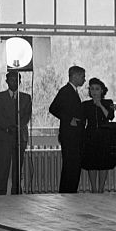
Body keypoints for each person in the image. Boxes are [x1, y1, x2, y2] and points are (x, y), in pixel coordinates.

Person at [0, 70, 32, 195]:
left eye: (16, 80)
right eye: (11, 80)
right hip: (3, 137)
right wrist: (9, 128)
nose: (14, 82)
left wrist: (18, 127)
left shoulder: (26, 98)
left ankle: (16, 195)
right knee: (2, 169)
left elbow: (26, 116)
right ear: (6, 81)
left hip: (19, 137)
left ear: (20, 82)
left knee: (17, 170)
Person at [49, 65, 86, 193]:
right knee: (71, 166)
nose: (84, 80)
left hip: (74, 135)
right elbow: (53, 108)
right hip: (70, 136)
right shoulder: (66, 91)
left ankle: (70, 191)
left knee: (73, 166)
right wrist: (68, 119)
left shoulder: (72, 91)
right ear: (75, 76)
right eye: (82, 76)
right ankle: (67, 192)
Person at [80, 78, 115, 193]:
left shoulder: (108, 102)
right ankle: (94, 189)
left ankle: (101, 189)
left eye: (97, 89)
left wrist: (100, 105)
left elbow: (110, 117)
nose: (94, 91)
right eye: (92, 89)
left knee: (103, 163)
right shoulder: (85, 104)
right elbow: (82, 121)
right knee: (92, 163)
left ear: (102, 90)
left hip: (104, 135)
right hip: (90, 135)